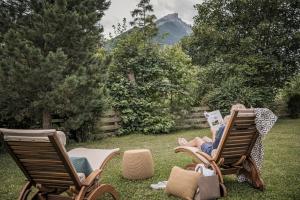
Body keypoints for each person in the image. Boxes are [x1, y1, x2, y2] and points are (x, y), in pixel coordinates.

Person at [178, 103, 246, 156]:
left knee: (197, 139)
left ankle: (184, 145)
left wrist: (213, 132)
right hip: (235, 154)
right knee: (204, 138)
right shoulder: (247, 128)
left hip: (217, 153)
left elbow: (214, 148)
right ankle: (188, 144)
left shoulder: (224, 129)